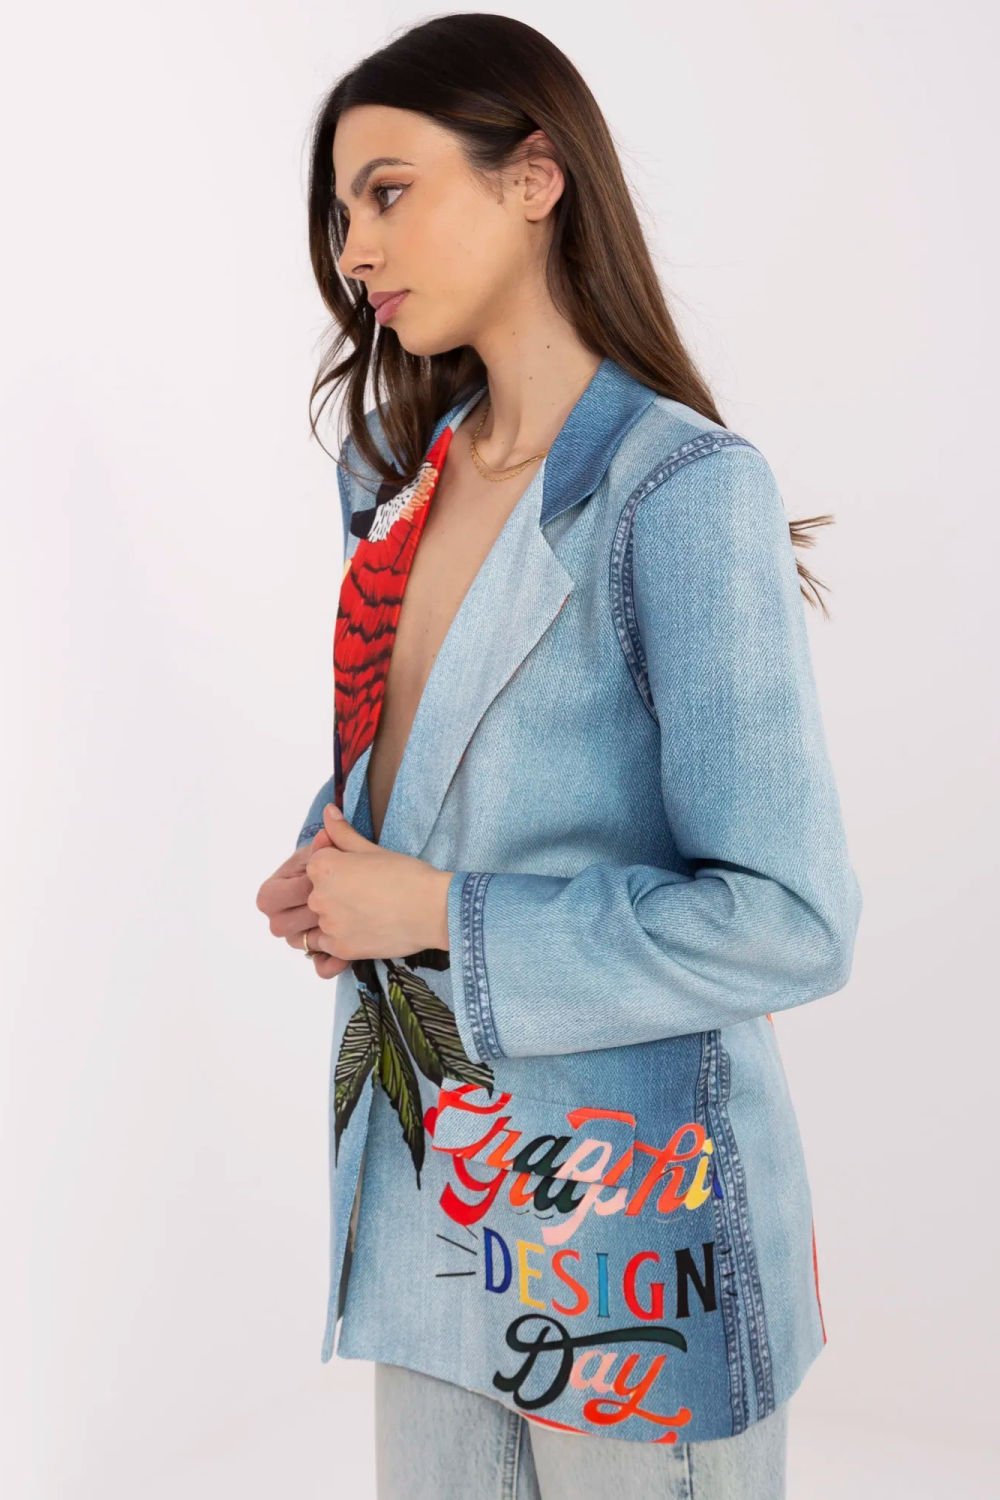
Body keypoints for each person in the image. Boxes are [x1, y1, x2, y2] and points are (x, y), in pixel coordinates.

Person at [255, 15, 863, 1498]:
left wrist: (434, 914)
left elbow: (790, 921)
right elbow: (452, 757)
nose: (356, 248)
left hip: (631, 1221)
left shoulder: (680, 492)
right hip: (431, 1196)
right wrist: (336, 859)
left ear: (535, 177)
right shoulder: (395, 476)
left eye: (389, 192)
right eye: (342, 212)